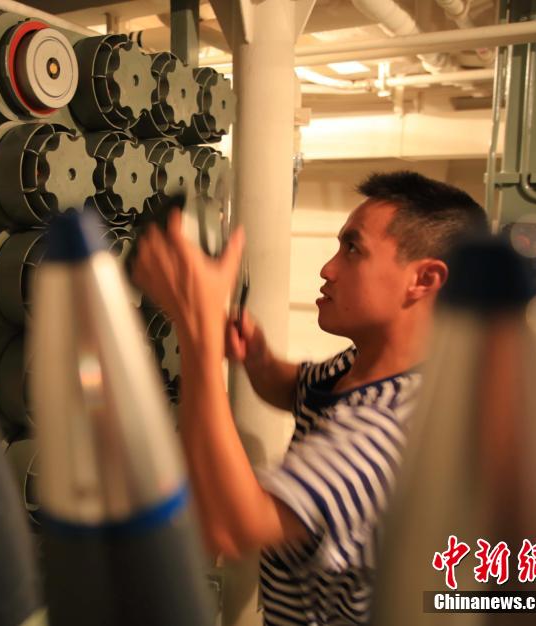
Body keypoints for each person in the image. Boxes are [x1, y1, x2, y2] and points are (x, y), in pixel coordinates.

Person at [130, 171, 489, 625]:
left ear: (424, 279)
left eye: (353, 249)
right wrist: (258, 358)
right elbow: (297, 388)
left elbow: (229, 527)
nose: (328, 269)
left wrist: (195, 329)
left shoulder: (391, 430)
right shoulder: (369, 367)